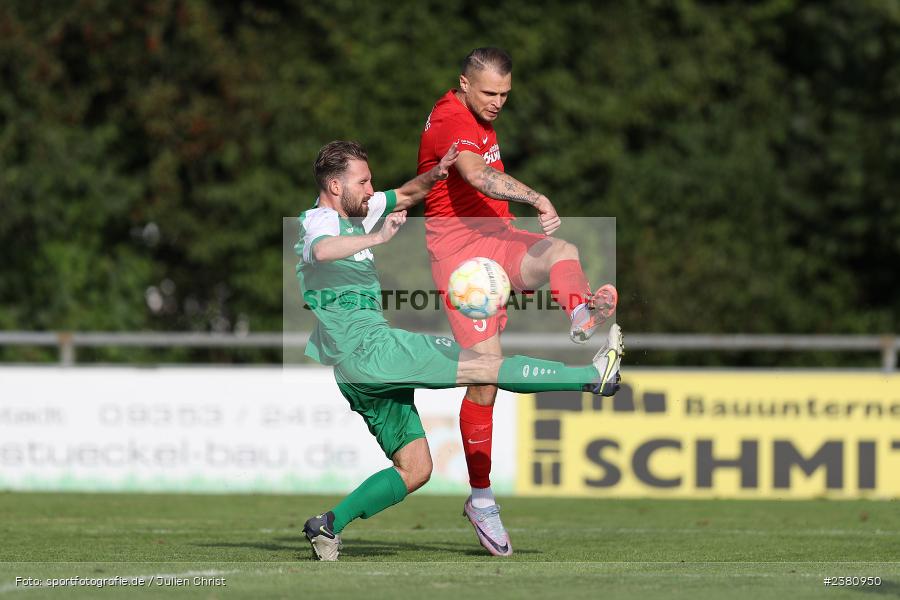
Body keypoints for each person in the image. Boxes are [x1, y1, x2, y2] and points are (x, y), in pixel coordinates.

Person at [298, 140, 624, 561]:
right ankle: (592, 377)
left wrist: (435, 176)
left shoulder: (358, 207)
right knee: (483, 365)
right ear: (335, 186)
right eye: (363, 181)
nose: (372, 188)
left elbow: (409, 194)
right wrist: (378, 237)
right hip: (371, 350)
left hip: (356, 371)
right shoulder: (317, 223)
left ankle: (326, 526)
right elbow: (322, 250)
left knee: (416, 469)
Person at [417, 47, 619, 555]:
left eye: (505, 94)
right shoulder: (449, 118)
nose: (498, 102)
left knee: (562, 251)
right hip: (464, 266)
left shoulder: (480, 118)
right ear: (463, 83)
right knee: (485, 378)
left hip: (498, 243)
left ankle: (579, 313)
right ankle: (481, 499)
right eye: (489, 93)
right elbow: (476, 176)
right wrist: (538, 197)